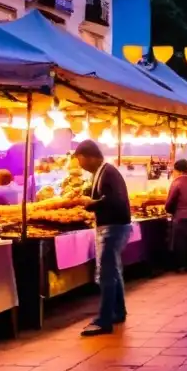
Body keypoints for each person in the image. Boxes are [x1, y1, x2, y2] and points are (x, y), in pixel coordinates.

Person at [74, 140, 132, 337]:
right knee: (113, 271)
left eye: (80, 160)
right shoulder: (103, 172)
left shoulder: (107, 172)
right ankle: (117, 311)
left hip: (112, 228)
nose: (80, 165)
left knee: (106, 274)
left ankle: (104, 320)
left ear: (88, 156)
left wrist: (92, 204)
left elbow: (113, 200)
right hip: (114, 227)